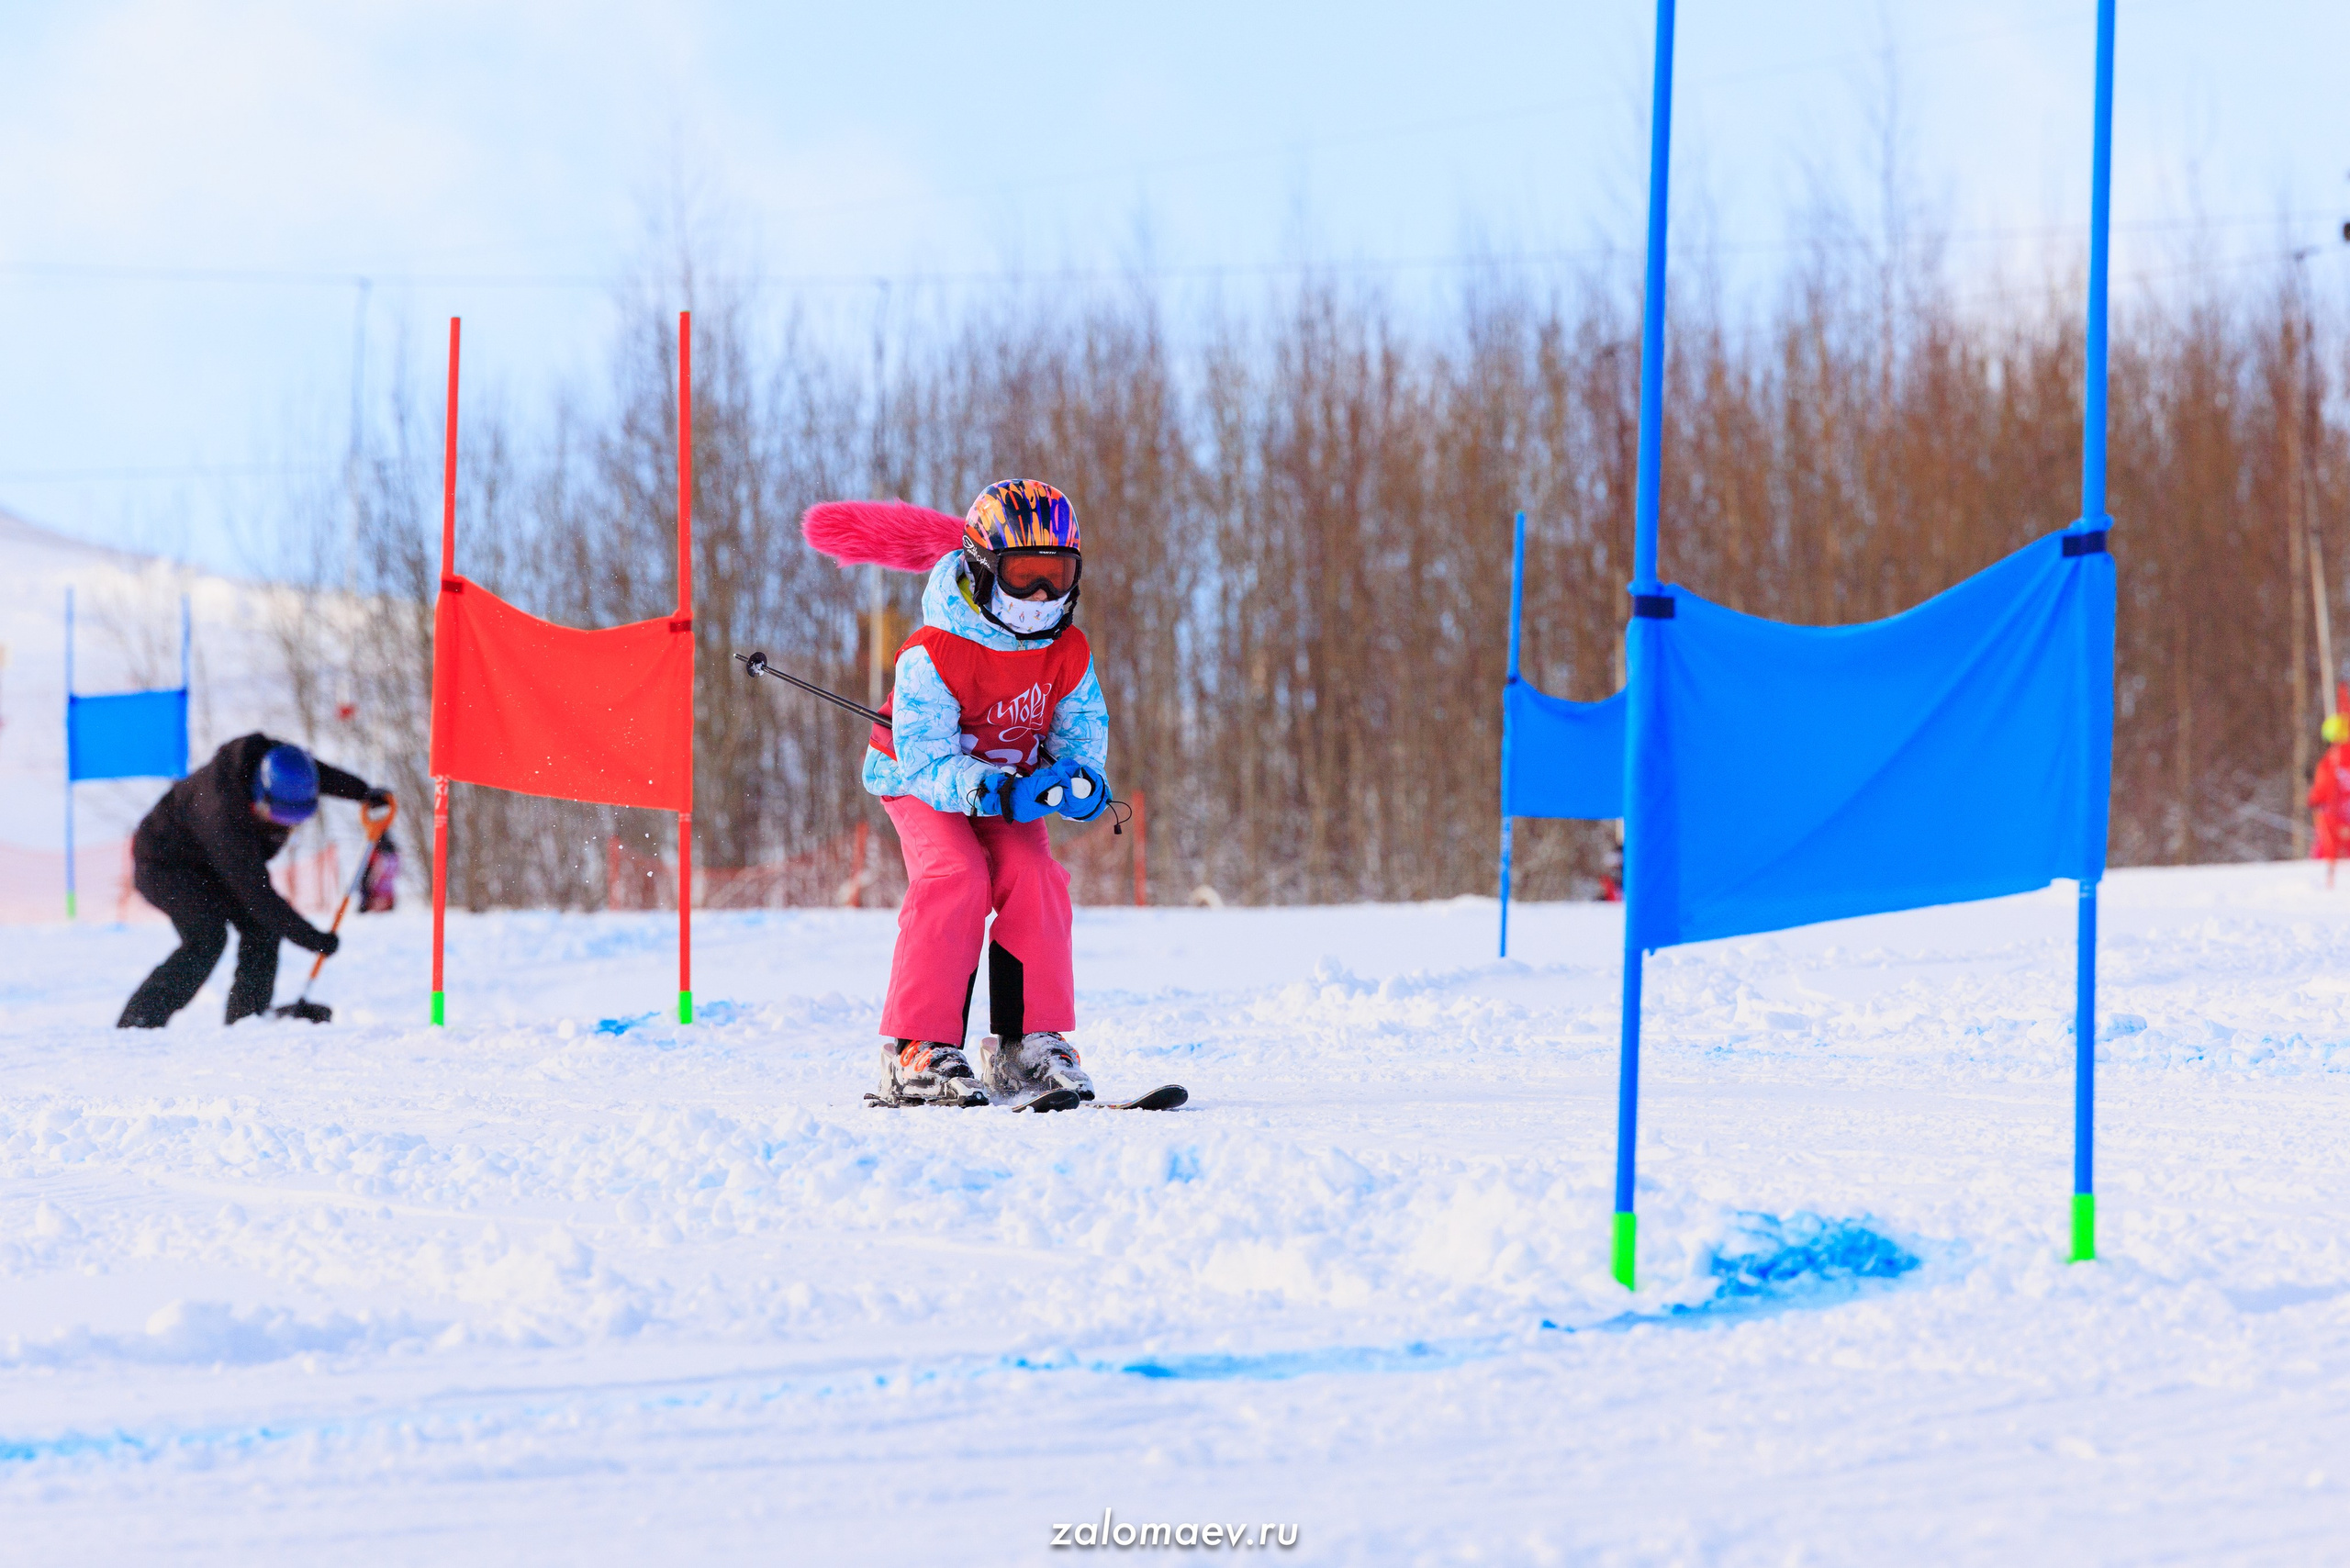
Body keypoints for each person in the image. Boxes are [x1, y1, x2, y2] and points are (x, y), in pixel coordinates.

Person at [862, 478, 1111, 1106]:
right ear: (980, 569)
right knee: (958, 876)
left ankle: (1024, 1045)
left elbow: (1080, 732)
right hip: (922, 781)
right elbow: (927, 761)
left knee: (1037, 876)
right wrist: (997, 791)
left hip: (1013, 788)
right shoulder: (934, 654)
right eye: (1023, 573)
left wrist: (1082, 780)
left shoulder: (1067, 651)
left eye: (1057, 575)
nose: (1040, 594)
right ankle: (915, 1049)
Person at [117, 734, 389, 1027]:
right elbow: (257, 895)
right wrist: (312, 938)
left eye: (297, 817)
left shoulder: (273, 762)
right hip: (163, 863)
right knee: (207, 937)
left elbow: (314, 774)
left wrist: (363, 792)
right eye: (279, 814)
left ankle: (247, 1019)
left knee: (261, 927)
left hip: (208, 862)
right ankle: (139, 1019)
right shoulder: (223, 813)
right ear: (261, 794)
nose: (286, 825)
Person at [2310, 712, 2350, 889]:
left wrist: (2314, 799)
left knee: (2329, 849)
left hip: (2334, 818)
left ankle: (2329, 884)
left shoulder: (2330, 763)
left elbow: (2322, 789)